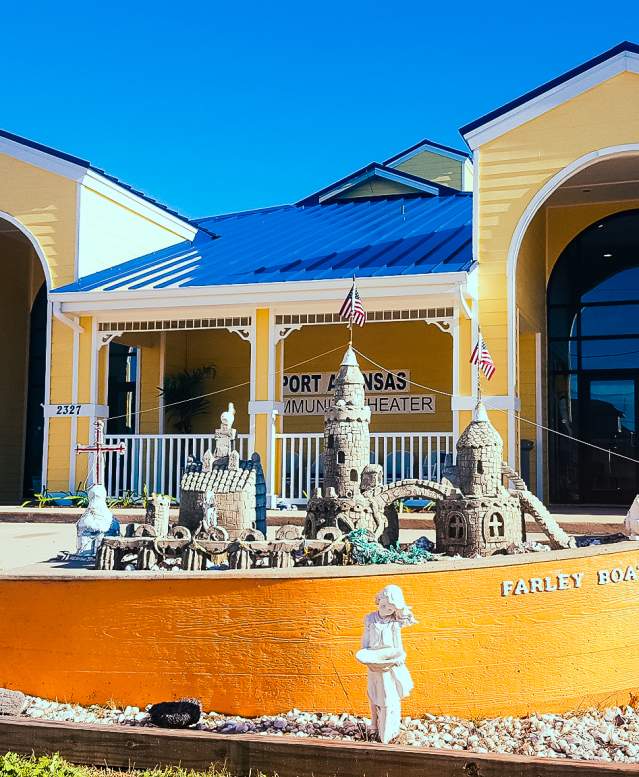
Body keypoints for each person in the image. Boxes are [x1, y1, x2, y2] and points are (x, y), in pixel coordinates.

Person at [361, 584, 417, 743]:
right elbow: (365, 638)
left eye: (391, 609)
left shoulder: (393, 623)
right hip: (373, 660)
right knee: (372, 692)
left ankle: (388, 731)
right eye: (383, 605)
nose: (386, 610)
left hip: (388, 663)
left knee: (387, 695)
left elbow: (398, 645)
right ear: (379, 600)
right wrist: (363, 652)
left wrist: (400, 657)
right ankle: (374, 725)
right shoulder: (370, 619)